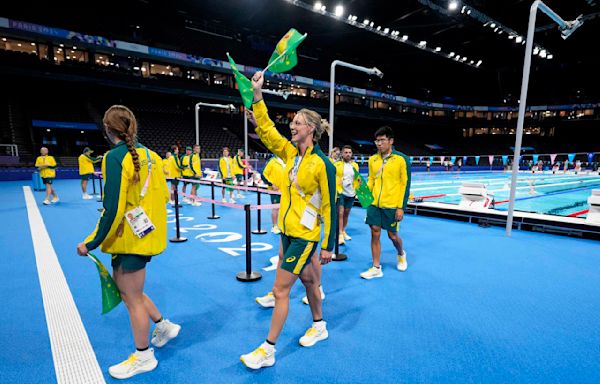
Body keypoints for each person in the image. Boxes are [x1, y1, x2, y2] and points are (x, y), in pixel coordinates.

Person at [76, 105, 180, 380]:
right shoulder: (154, 156)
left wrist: (92, 241)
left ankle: (144, 356)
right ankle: (164, 326)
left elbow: (112, 208)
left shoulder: (114, 157)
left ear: (109, 130)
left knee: (131, 298)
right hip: (147, 235)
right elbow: (164, 198)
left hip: (128, 238)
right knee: (130, 291)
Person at [241, 71, 336, 369]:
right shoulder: (291, 155)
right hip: (287, 231)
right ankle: (319, 325)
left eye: (296, 123)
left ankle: (268, 350)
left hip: (306, 236)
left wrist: (328, 245)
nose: (291, 126)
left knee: (281, 290)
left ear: (310, 128)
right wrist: (258, 97)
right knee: (309, 281)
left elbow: (330, 207)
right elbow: (268, 131)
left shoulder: (323, 164)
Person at [360, 126, 411, 279]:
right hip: (374, 204)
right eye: (377, 141)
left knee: (392, 236)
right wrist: (366, 197)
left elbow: (405, 184)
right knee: (374, 232)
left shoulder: (401, 159)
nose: (379, 143)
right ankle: (376, 267)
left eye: (382, 140)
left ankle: (401, 253)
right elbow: (371, 179)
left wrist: (401, 207)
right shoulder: (373, 159)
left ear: (391, 141)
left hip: (392, 205)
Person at [335, 145, 359, 245]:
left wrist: (357, 191)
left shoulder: (355, 165)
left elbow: (357, 179)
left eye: (349, 152)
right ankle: (339, 234)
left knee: (346, 213)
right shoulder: (337, 165)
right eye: (346, 152)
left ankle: (343, 231)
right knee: (340, 213)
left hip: (351, 193)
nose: (348, 154)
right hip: (341, 192)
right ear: (342, 153)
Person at [261, 154, 286, 234]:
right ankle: (274, 226)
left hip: (286, 190)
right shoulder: (272, 161)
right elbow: (263, 175)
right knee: (275, 208)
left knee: (284, 208)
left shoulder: (287, 161)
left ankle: (282, 225)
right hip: (276, 190)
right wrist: (271, 184)